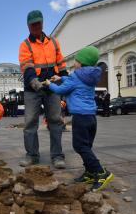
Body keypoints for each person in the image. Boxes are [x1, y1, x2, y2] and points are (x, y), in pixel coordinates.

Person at [43, 46, 114, 191]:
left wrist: (50, 84)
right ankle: (90, 172)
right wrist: (61, 77)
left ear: (81, 63)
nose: (74, 63)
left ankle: (101, 173)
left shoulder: (76, 76)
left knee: (79, 146)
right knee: (86, 146)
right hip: (91, 117)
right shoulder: (90, 76)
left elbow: (60, 90)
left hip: (80, 117)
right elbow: (73, 80)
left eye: (76, 61)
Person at [18, 10, 68, 169]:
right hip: (33, 89)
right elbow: (27, 67)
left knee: (55, 120)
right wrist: (34, 82)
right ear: (28, 26)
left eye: (38, 23)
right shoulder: (25, 45)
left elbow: (61, 63)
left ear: (42, 23)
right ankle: (32, 155)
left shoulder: (53, 42)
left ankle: (57, 156)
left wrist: (65, 79)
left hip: (52, 87)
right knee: (30, 122)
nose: (36, 26)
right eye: (33, 24)